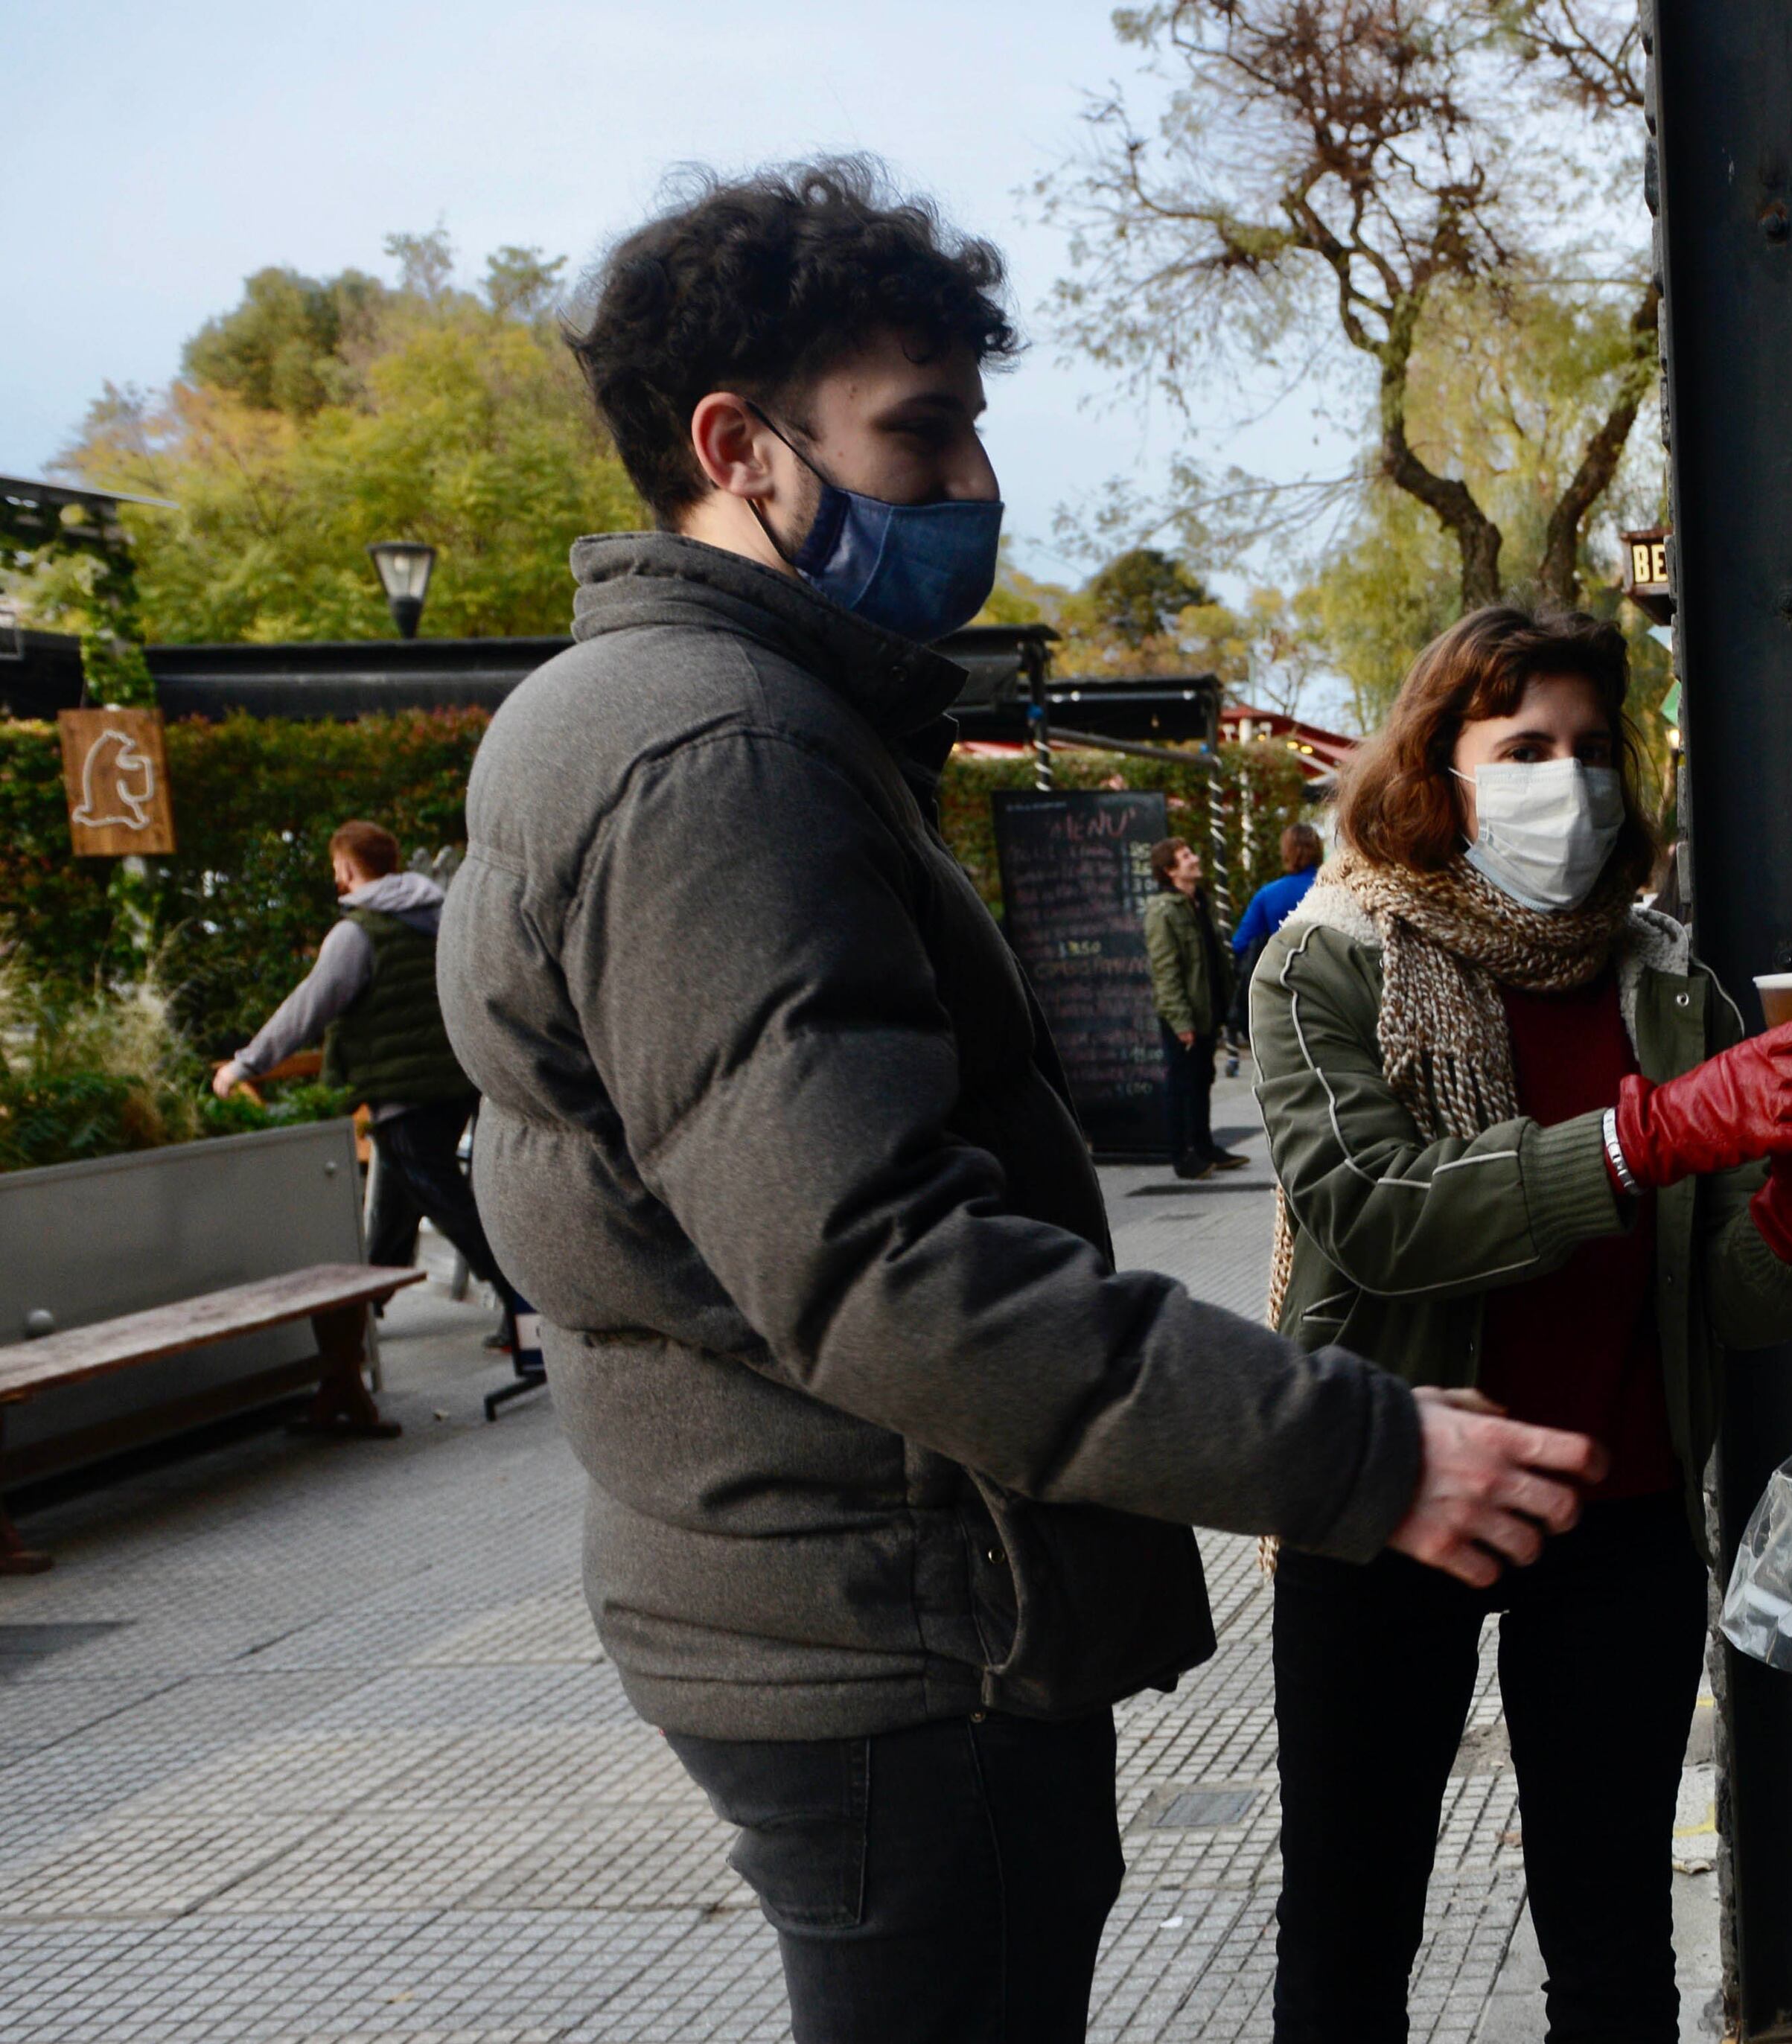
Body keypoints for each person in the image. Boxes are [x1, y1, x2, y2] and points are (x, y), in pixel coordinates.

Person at [442, 159, 1601, 2044]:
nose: (973, 484)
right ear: (738, 447)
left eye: (975, 423)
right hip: (889, 1624)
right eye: (920, 432)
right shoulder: (716, 752)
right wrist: (1359, 1451)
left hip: (847, 1594)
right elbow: (880, 1266)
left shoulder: (673, 714)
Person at [1251, 606, 1792, 2044]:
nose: (1569, 779)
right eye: (1526, 745)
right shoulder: (1328, 961)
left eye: (1594, 748)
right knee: (1350, 1931)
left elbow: (1720, 1294)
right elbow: (1378, 1215)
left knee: (1614, 1947)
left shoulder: (1669, 983)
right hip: (1390, 1498)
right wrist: (1642, 1136)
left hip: (1618, 1510)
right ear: (1439, 766)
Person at [213, 820, 520, 1348]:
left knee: (446, 1201)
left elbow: (309, 1006)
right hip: (456, 1081)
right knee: (403, 1198)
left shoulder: (357, 933)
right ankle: (365, 1309)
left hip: (404, 1090)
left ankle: (524, 1309)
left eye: (338, 871)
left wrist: (248, 1063)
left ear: (349, 869)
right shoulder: (442, 917)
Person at [1142, 835, 1243, 1178]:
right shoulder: (1163, 911)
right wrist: (1180, 1020)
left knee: (1203, 1079)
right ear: (1170, 870)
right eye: (1186, 856)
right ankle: (1182, 1155)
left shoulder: (1199, 902)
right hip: (1184, 1017)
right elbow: (1165, 971)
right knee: (1181, 1083)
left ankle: (1204, 1145)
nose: (1194, 859)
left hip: (1207, 1010)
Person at [1226, 820, 1323, 1029]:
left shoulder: (1269, 895)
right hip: (1330, 987)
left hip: (1285, 990)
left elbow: (1240, 944)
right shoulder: (1336, 888)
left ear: (1286, 852)